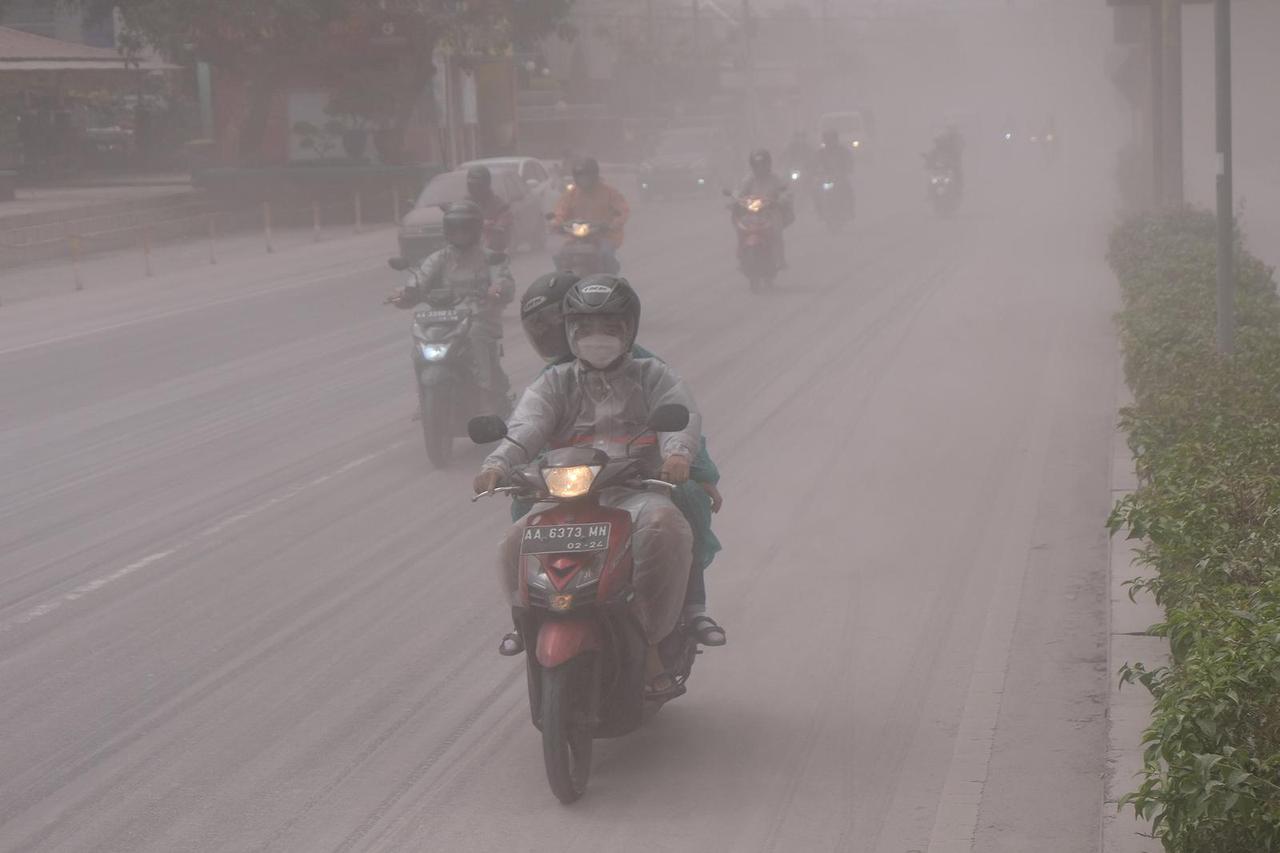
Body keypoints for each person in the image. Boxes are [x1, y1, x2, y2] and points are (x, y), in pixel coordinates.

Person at [474, 275, 707, 695]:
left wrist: (676, 456)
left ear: (629, 330)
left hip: (637, 493)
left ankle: (654, 643)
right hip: (567, 495)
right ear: (570, 332)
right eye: (585, 328)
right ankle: (525, 626)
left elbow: (681, 417)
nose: (596, 338)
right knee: (512, 543)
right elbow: (526, 426)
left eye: (609, 328)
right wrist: (497, 464)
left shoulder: (654, 374)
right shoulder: (553, 381)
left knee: (667, 530)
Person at [390, 200, 514, 411]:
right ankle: (424, 397)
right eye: (455, 229)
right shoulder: (439, 258)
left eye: (465, 229)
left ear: (474, 230)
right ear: (447, 230)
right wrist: (406, 292)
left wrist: (497, 289)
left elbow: (503, 281)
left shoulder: (489, 257)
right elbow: (420, 279)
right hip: (444, 318)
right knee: (419, 342)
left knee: (476, 335)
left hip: (479, 317)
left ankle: (486, 395)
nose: (460, 234)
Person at [551, 157, 630, 274]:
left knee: (606, 254)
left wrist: (614, 223)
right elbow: (561, 211)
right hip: (576, 238)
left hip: (604, 236)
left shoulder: (609, 192)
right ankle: (562, 282)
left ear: (594, 175)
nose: (584, 180)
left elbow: (623, 210)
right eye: (580, 176)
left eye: (586, 176)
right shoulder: (571, 194)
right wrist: (556, 223)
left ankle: (611, 281)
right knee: (559, 255)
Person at [734, 149, 794, 268]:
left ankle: (780, 260)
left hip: (770, 213)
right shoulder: (749, 179)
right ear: (753, 166)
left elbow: (785, 191)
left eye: (763, 165)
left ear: (768, 164)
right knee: (741, 229)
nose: (760, 168)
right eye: (757, 166)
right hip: (751, 213)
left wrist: (781, 199)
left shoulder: (776, 178)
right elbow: (740, 193)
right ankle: (741, 254)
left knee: (777, 233)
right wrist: (734, 201)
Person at [465, 165, 515, 254]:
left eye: (478, 186)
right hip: (467, 248)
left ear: (486, 184)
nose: (475, 189)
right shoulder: (465, 203)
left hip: (492, 250)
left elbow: (506, 219)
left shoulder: (499, 204)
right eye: (472, 185)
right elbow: (458, 217)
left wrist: (497, 225)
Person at [814, 128, 856, 218]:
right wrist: (814, 171)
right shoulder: (821, 152)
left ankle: (850, 211)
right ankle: (820, 212)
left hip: (840, 177)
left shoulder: (842, 150)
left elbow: (849, 160)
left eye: (831, 139)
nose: (829, 142)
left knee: (848, 190)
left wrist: (848, 169)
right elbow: (813, 163)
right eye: (827, 139)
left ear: (835, 139)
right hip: (825, 178)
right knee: (816, 192)